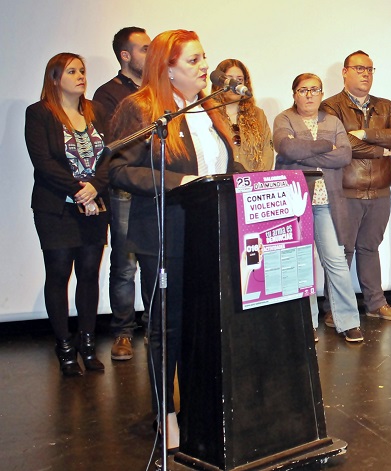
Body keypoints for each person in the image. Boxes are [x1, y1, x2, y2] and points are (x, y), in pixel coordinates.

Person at [108, 30, 245, 452]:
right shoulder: (143, 108)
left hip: (211, 234)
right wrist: (178, 181)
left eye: (204, 57)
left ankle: (202, 408)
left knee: (206, 324)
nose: (205, 66)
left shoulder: (210, 109)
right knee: (168, 328)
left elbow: (222, 164)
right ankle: (166, 412)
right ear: (166, 67)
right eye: (193, 61)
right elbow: (117, 168)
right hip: (167, 233)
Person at [25, 52, 110, 376]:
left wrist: (95, 187)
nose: (80, 76)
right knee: (59, 272)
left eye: (83, 70)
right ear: (55, 78)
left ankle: (87, 345)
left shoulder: (96, 111)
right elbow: (43, 162)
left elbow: (109, 157)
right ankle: (64, 347)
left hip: (94, 204)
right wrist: (78, 189)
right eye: (72, 71)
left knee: (89, 272)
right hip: (56, 207)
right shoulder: (40, 113)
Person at [273, 73, 362, 342]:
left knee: (335, 261)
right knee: (302, 262)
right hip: (295, 202)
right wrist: (325, 145)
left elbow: (344, 155)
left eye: (315, 90)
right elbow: (287, 149)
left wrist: (307, 151)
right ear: (294, 94)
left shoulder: (333, 121)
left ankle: (347, 321)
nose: (309, 95)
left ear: (322, 94)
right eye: (303, 90)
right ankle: (306, 323)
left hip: (327, 202)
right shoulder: (284, 119)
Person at [321, 51, 391, 323]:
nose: (365, 74)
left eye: (370, 69)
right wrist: (380, 151)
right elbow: (342, 144)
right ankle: (335, 308)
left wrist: (367, 134)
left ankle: (375, 303)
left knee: (370, 248)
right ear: (344, 72)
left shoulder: (385, 105)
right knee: (342, 251)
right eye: (359, 68)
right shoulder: (330, 106)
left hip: (381, 191)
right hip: (345, 190)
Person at [93, 26, 150, 362]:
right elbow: (112, 145)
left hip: (156, 185)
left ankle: (154, 325)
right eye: (144, 48)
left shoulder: (159, 92)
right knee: (125, 263)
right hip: (126, 190)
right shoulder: (108, 94)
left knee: (156, 261)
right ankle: (123, 332)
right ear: (125, 55)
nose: (150, 53)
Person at [211, 58, 274, 171]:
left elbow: (267, 152)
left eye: (239, 80)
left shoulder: (258, 114)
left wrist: (255, 180)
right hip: (222, 182)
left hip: (254, 183)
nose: (234, 85)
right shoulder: (208, 114)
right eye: (229, 80)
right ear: (219, 83)